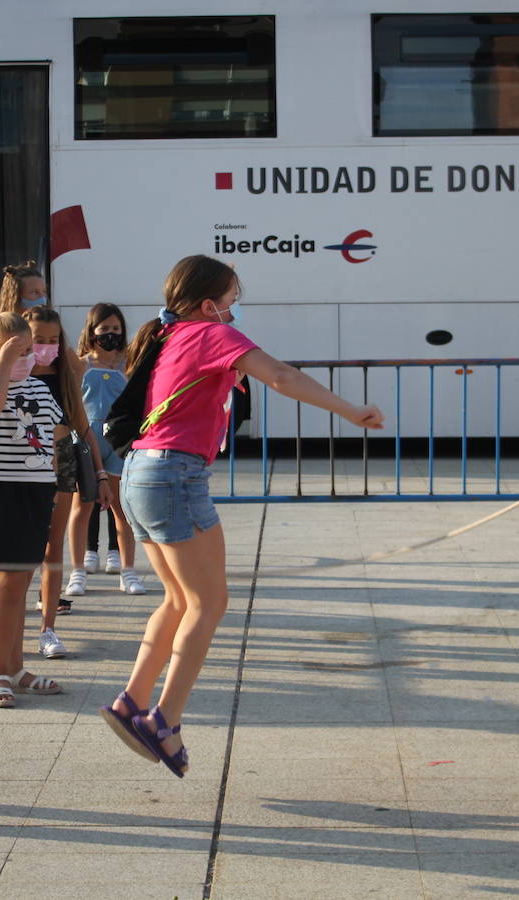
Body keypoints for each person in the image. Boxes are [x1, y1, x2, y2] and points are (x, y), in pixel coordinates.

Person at [100, 254, 384, 776]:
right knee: (210, 602)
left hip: (141, 471)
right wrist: (350, 411)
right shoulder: (210, 335)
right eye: (231, 303)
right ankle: (165, 721)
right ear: (210, 304)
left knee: (180, 599)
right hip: (173, 475)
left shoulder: (169, 337)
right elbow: (278, 375)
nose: (233, 315)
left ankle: (132, 702)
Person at [0, 312, 68, 706]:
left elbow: (54, 440)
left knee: (20, 587)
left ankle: (17, 666)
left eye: (28, 350)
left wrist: (56, 485)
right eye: (16, 350)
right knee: (6, 588)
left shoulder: (42, 391)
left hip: (35, 491)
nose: (28, 357)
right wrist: (3, 366)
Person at [22, 305, 112, 660]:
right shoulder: (9, 373)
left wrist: (101, 474)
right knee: (18, 552)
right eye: (37, 340)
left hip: (60, 465)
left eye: (53, 340)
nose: (46, 346)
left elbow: (83, 426)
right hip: (19, 469)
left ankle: (48, 629)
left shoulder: (65, 375)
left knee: (50, 549)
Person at [66, 302, 145, 597]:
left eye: (116, 329)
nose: (111, 334)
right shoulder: (82, 364)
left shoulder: (129, 363)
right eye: (104, 329)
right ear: (92, 331)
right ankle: (77, 572)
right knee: (81, 507)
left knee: (122, 509)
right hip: (88, 442)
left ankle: (128, 570)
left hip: (120, 442)